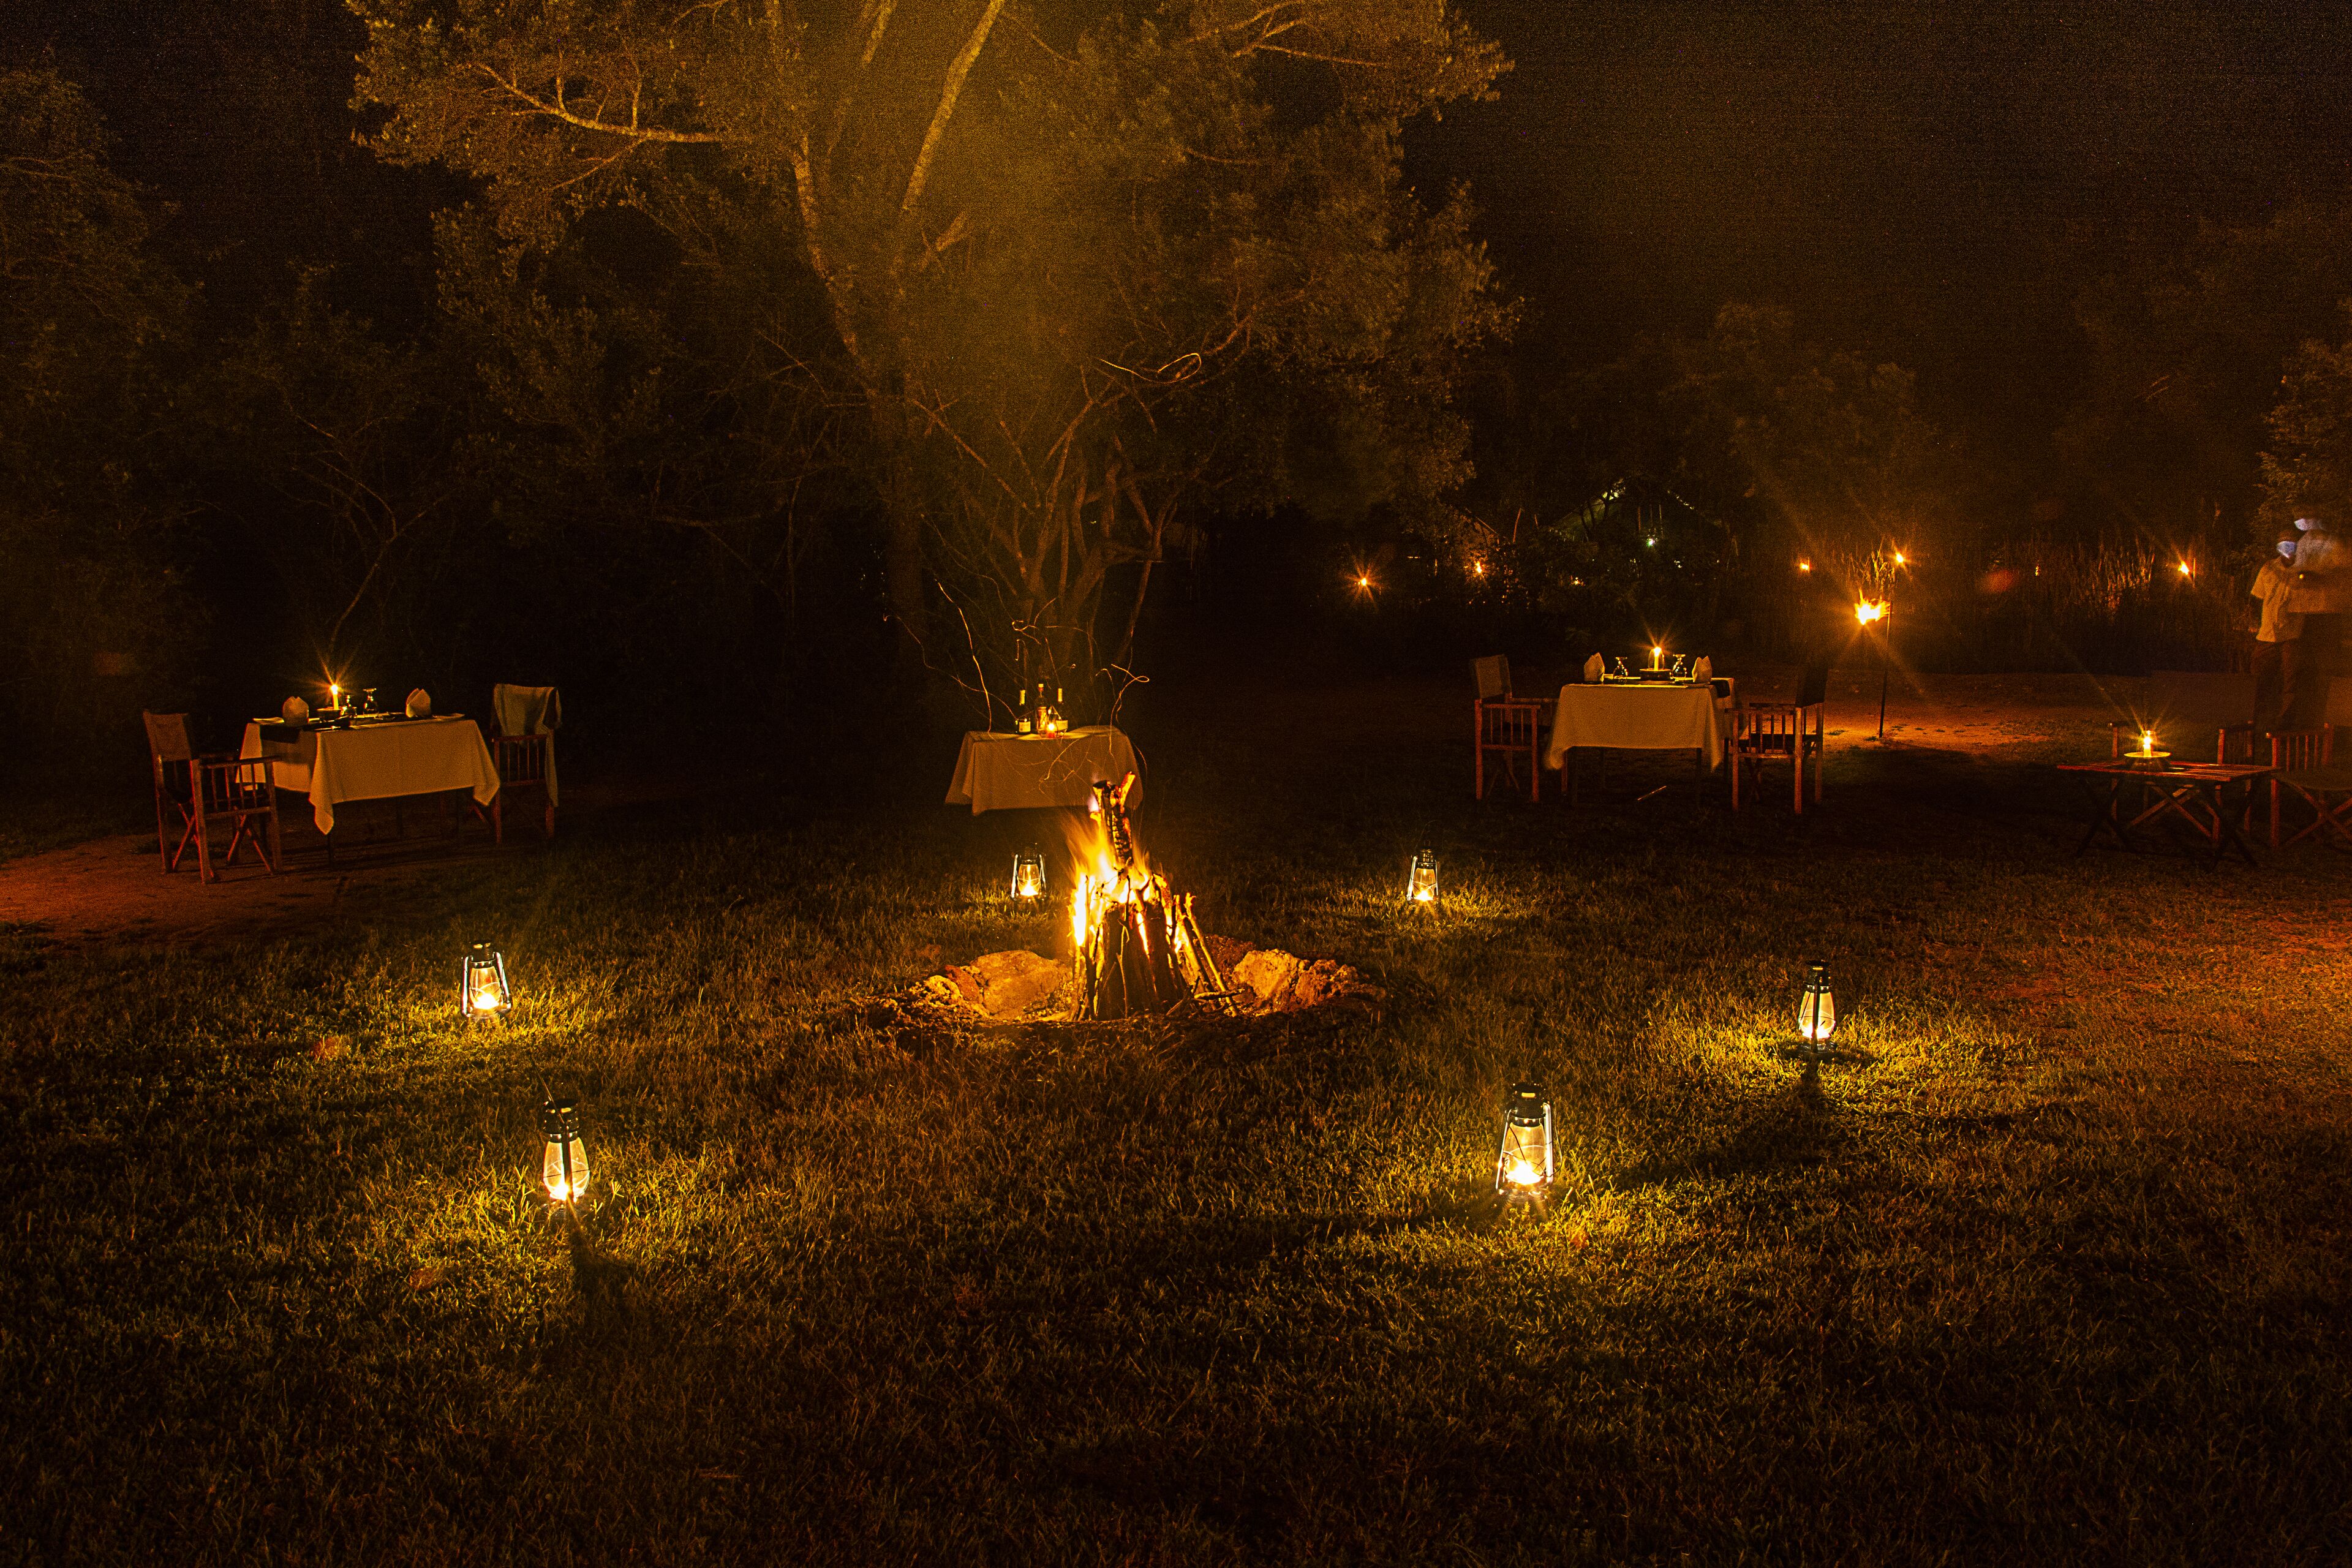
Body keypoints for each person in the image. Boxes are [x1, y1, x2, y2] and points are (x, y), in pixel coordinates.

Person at [2282, 513, 2350, 731]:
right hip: (2305, 613)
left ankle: (2321, 723)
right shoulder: (2304, 542)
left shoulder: (2335, 544)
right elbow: (2297, 572)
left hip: (2326, 613)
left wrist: (2315, 576)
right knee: (2302, 671)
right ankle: (2299, 722)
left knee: (2323, 671)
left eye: (2306, 516)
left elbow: (2343, 572)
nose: (2301, 521)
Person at [2251, 527, 2304, 735]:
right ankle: (2256, 722)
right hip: (2266, 634)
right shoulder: (2268, 569)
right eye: (2283, 544)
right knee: (2259, 678)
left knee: (2291, 681)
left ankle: (2284, 724)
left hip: (2292, 634)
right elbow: (2258, 598)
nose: (2287, 548)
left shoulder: (2303, 571)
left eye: (2291, 543)